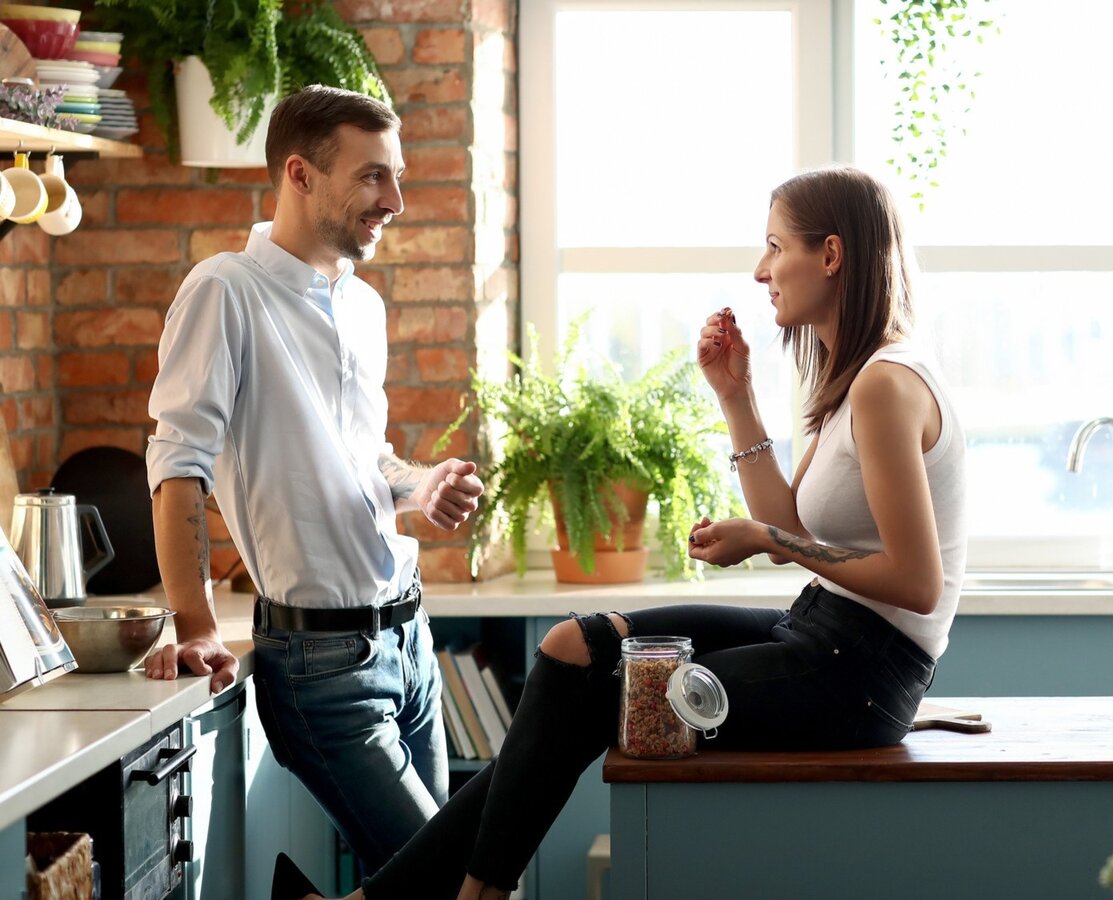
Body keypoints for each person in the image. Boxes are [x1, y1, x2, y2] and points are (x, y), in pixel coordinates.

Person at [272, 164, 967, 900]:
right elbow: (794, 519)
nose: (762, 270)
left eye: (774, 246)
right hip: (818, 627)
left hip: (861, 672)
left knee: (615, 701)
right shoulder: (851, 376)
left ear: (831, 255)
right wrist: (736, 396)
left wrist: (767, 543)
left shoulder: (887, 384)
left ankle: (453, 897)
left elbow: (914, 584)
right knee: (570, 648)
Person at [144, 85, 485, 875]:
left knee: (421, 881)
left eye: (395, 177)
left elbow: (364, 457)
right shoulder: (225, 291)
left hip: (409, 640)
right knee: (444, 881)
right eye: (372, 178)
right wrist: (193, 623)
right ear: (299, 174)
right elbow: (178, 464)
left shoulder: (361, 305)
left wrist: (421, 482)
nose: (394, 200)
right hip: (320, 667)